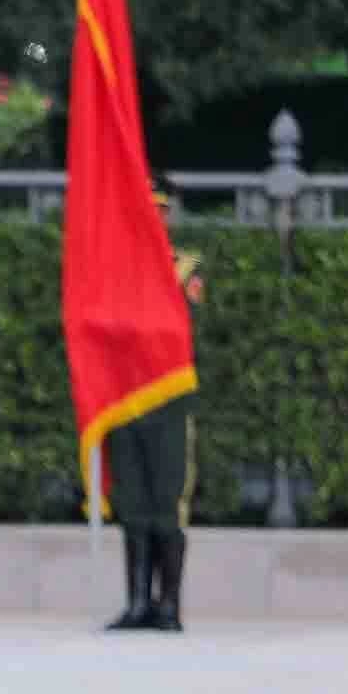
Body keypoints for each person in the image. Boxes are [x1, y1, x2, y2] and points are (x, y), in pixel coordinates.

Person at [103, 184, 204, 633]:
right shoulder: (110, 270)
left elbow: (186, 329)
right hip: (124, 400)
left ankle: (169, 606)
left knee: (167, 502)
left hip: (167, 403)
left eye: (159, 212)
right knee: (132, 502)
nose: (153, 219)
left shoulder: (185, 268)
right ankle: (137, 602)